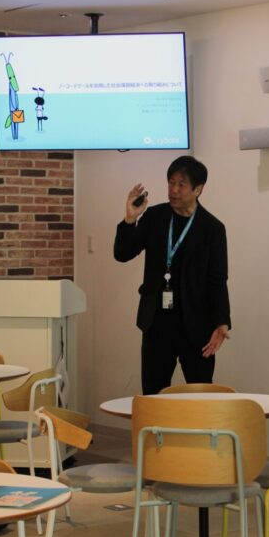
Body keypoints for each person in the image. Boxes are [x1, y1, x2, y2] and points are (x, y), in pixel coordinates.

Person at [113, 155, 231, 395]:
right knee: (153, 395)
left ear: (198, 189)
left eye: (181, 184)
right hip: (156, 323)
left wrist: (222, 321)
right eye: (171, 183)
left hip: (197, 326)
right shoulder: (155, 217)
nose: (174, 190)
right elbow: (122, 254)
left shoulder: (212, 228)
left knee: (201, 396)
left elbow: (217, 279)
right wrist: (130, 219)